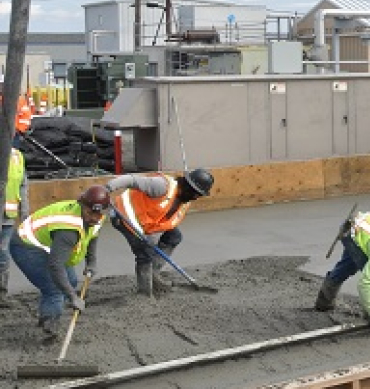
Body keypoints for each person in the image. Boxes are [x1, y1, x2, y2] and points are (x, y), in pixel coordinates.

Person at [10, 185, 110, 338]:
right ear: (82, 206)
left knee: (71, 280)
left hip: (46, 243)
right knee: (55, 288)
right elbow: (56, 266)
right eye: (90, 213)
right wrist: (72, 297)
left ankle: (46, 314)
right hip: (26, 245)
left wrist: (91, 261)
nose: (94, 218)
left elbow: (93, 235)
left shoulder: (96, 218)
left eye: (98, 215)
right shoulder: (68, 229)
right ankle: (49, 330)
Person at [105, 168, 215, 296]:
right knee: (145, 252)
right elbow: (131, 180)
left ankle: (154, 275)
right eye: (196, 193)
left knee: (174, 236)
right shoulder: (160, 186)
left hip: (144, 222)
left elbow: (163, 217)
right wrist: (107, 189)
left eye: (199, 195)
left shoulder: (184, 200)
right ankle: (144, 293)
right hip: (122, 216)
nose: (196, 197)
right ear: (188, 186)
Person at [1, 137, 29, 306]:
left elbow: (23, 186)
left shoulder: (17, 156)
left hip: (7, 216)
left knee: (3, 256)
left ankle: (1, 294)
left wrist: (25, 214)